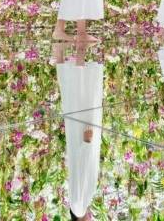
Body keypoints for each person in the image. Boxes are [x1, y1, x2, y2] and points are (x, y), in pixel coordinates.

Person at [56, 58, 104, 220]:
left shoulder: (79, 208)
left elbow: (81, 173)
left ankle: (81, 54)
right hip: (86, 144)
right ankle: (75, 56)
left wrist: (86, 143)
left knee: (82, 103)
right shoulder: (79, 207)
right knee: (82, 103)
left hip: (85, 141)